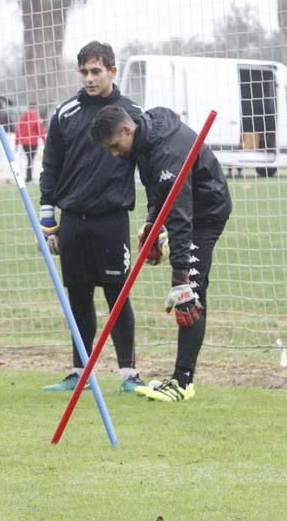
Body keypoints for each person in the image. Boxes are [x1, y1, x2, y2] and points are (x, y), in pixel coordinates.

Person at [90, 105, 233, 402]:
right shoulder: (144, 141)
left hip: (205, 214)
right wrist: (151, 225)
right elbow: (160, 193)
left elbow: (181, 215)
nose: (115, 154)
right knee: (189, 289)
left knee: (190, 294)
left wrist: (179, 278)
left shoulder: (167, 150)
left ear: (127, 130)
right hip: (187, 210)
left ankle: (182, 382)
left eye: (115, 146)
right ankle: (180, 378)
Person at [38, 41, 146, 393]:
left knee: (118, 295)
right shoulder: (65, 113)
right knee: (78, 296)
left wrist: (154, 219)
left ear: (112, 72)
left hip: (112, 219)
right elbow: (50, 166)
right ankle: (79, 372)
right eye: (83, 71)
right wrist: (47, 214)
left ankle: (129, 374)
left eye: (96, 71)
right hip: (72, 220)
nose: (89, 78)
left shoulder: (132, 114)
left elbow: (148, 165)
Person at [14, 102, 46, 183]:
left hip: (24, 142)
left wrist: (17, 143)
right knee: (30, 160)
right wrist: (44, 141)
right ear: (35, 108)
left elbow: (18, 130)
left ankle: (29, 178)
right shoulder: (36, 117)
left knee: (29, 159)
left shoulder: (22, 117)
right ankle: (29, 178)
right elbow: (40, 129)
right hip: (33, 141)